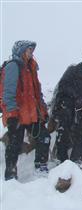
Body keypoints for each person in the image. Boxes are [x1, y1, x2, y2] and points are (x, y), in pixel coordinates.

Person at [1, 40, 50, 180]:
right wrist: (11, 115)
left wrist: (43, 112)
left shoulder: (31, 68)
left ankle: (41, 165)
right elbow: (8, 93)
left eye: (31, 50)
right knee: (14, 145)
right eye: (28, 50)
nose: (31, 53)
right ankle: (10, 174)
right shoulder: (13, 67)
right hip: (16, 115)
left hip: (32, 114)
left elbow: (37, 93)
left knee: (44, 137)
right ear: (20, 50)